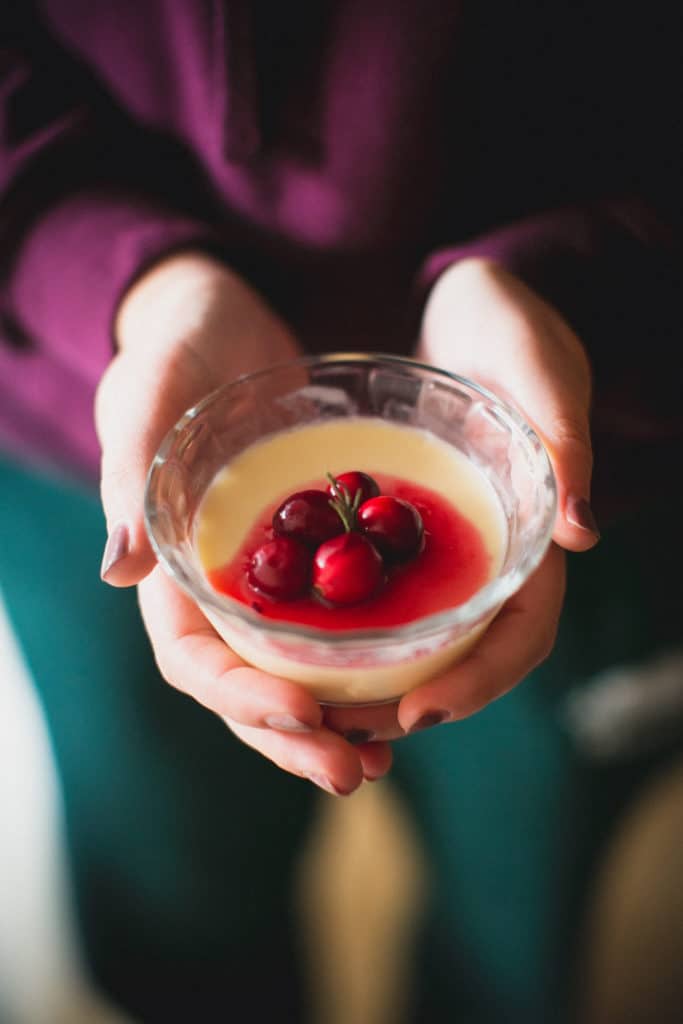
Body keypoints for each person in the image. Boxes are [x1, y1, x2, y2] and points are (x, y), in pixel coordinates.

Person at [1, 3, 681, 1021]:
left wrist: (572, 280)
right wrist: (122, 278)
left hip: (595, 427)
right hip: (86, 434)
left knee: (520, 897)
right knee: (178, 897)